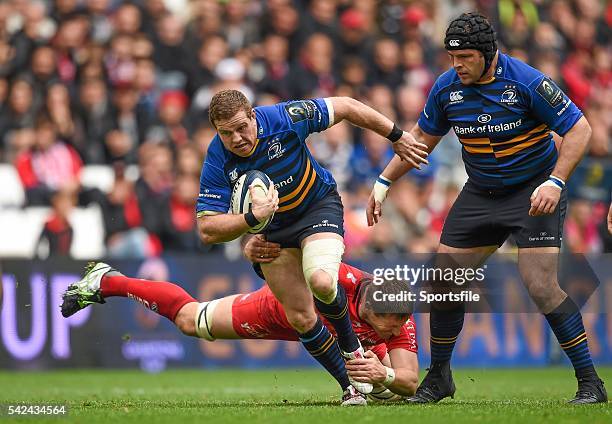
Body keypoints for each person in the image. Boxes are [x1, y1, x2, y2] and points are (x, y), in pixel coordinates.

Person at [366, 12, 606, 404]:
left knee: (541, 286)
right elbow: (422, 138)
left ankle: (590, 383)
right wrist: (384, 181)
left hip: (534, 191)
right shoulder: (446, 88)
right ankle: (439, 377)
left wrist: (556, 181)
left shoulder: (526, 81)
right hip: (480, 192)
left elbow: (579, 129)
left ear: (488, 54)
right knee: (442, 280)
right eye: (451, 57)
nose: (456, 65)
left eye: (465, 57)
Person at [195, 89, 427, 404]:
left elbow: (345, 106)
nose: (236, 138)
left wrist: (396, 136)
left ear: (253, 116)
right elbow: (207, 230)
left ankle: (351, 349)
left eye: (241, 127)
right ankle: (351, 387)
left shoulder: (284, 118)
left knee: (321, 279)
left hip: (317, 208)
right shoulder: (218, 157)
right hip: (274, 230)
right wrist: (251, 219)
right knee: (301, 318)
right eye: (226, 133)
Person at [60, 239, 419, 403]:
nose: (393, 331)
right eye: (388, 325)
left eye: (397, 326)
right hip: (275, 309)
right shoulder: (333, 277)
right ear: (372, 309)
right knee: (191, 321)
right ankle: (108, 281)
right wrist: (253, 248)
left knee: (388, 390)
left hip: (321, 333)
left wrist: (384, 374)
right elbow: (282, 261)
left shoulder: (398, 317)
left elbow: (410, 381)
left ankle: (354, 387)